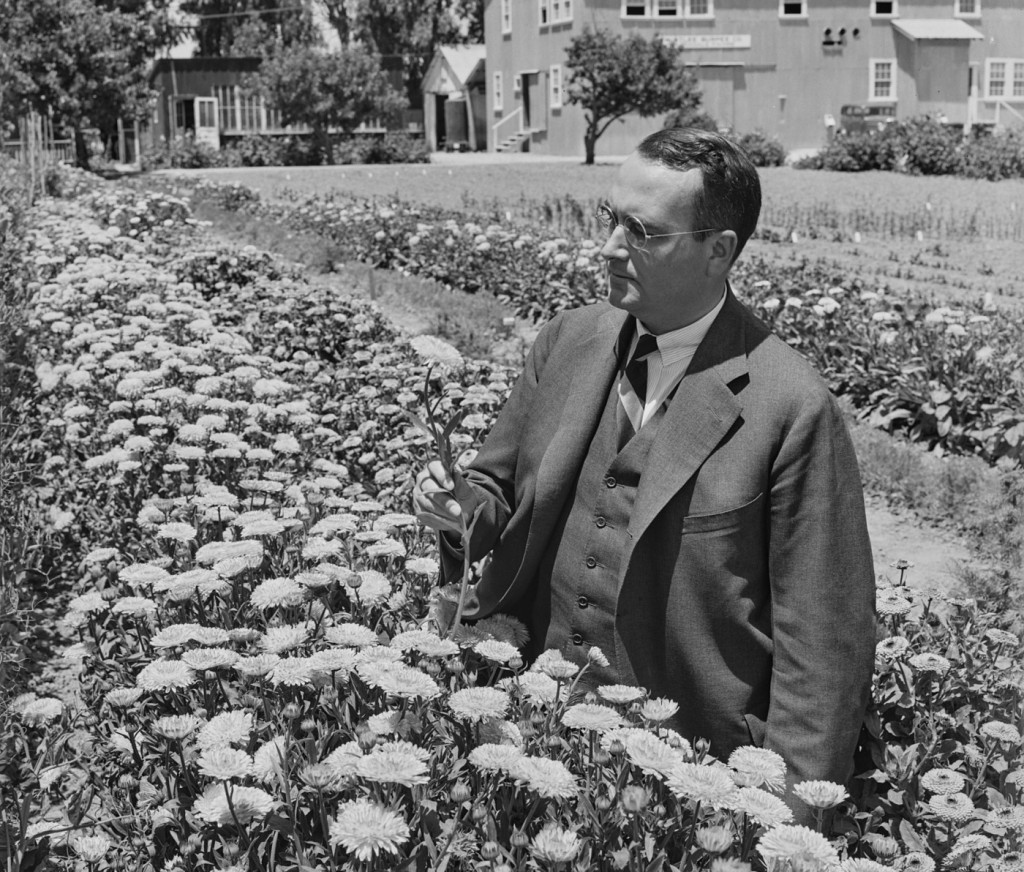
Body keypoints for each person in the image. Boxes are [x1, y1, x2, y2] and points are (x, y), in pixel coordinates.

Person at [413, 127, 876, 814]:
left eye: (643, 231)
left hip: (680, 775)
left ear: (719, 251)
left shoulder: (790, 406)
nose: (608, 248)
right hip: (528, 730)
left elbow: (823, 643)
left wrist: (785, 820)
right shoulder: (568, 341)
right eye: (610, 220)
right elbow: (494, 491)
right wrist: (457, 510)